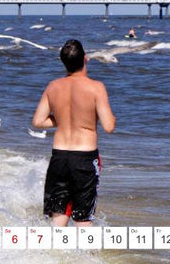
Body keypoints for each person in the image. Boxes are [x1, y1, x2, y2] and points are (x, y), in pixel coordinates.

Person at [32, 39, 116, 227]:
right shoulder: (96, 87)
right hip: (84, 158)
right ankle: (87, 257)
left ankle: (52, 255)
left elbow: (38, 121)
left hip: (59, 156)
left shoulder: (53, 86)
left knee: (58, 217)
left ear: (63, 62)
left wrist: (61, 120)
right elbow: (109, 126)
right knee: (83, 219)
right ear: (85, 59)